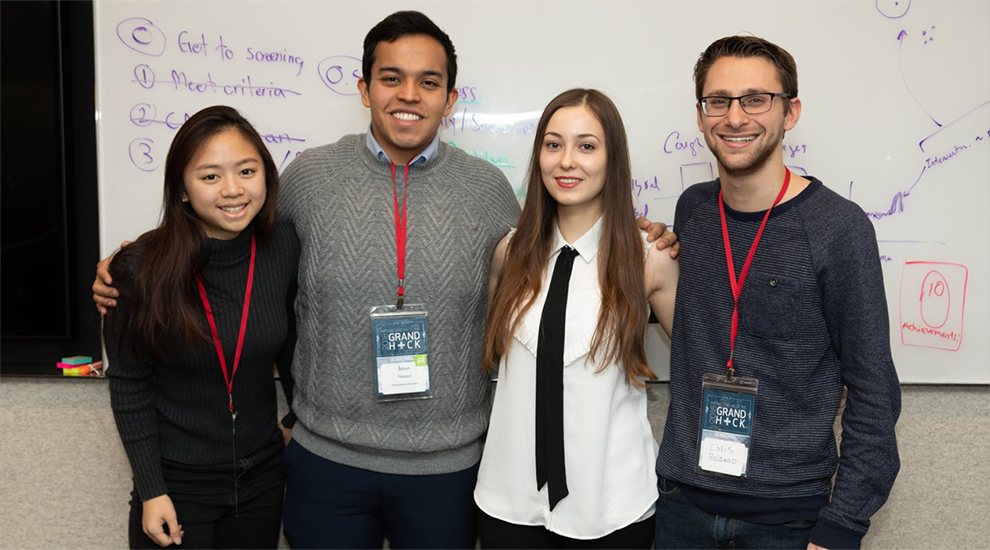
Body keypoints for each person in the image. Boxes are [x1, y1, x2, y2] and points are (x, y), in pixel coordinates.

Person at [95, 11, 675, 549]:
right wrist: (134, 265)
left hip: (448, 468)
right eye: (391, 78)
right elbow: (235, 245)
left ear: (450, 98)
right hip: (326, 462)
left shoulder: (488, 191)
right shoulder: (308, 178)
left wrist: (642, 239)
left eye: (428, 82)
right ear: (364, 87)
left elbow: (546, 269)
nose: (408, 96)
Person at [653, 36, 901, 550]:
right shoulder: (693, 211)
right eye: (718, 101)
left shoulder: (839, 227)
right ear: (700, 117)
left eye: (756, 99)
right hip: (682, 506)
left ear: (791, 112)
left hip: (789, 521)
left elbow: (874, 390)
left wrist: (842, 526)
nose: (735, 117)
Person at [475, 89, 678, 549]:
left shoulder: (649, 259)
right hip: (509, 502)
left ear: (613, 158)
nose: (567, 161)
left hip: (612, 507)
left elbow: (705, 362)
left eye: (587, 146)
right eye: (553, 144)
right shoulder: (510, 252)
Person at [102, 105, 299, 549]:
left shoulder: (283, 247)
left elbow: (297, 346)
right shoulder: (138, 269)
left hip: (262, 480)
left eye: (246, 171)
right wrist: (152, 489)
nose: (233, 190)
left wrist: (296, 417)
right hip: (177, 484)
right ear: (183, 190)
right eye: (210, 176)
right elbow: (130, 385)